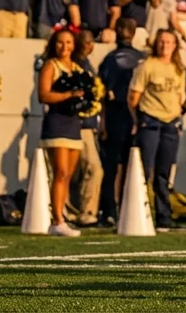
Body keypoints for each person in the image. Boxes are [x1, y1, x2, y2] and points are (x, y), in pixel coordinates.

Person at [128, 29, 186, 232]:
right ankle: (137, 213)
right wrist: (138, 120)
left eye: (169, 42)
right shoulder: (147, 66)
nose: (165, 46)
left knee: (164, 172)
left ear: (174, 46)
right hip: (150, 120)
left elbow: (181, 96)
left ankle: (163, 217)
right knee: (145, 170)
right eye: (161, 42)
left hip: (170, 122)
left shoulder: (179, 69)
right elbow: (134, 97)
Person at [37, 29, 86, 237]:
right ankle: (57, 219)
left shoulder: (77, 68)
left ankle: (61, 214)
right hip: (56, 123)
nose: (64, 46)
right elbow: (44, 95)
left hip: (73, 124)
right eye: (59, 42)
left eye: (68, 42)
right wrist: (69, 95)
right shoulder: (51, 66)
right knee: (61, 172)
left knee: (68, 175)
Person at [96, 17, 143, 225]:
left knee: (126, 165)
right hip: (119, 116)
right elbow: (102, 94)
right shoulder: (136, 59)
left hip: (129, 117)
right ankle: (110, 209)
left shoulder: (140, 59)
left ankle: (121, 208)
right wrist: (103, 122)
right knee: (113, 166)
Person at [69, 28, 103, 227]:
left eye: (90, 42)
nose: (88, 46)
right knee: (93, 168)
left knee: (80, 171)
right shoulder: (76, 65)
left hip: (89, 125)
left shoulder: (88, 64)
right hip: (78, 124)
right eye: (84, 41)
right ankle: (85, 212)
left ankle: (80, 210)